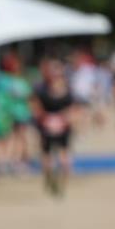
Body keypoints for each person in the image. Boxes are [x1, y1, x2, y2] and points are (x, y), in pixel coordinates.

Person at [32, 59, 76, 196]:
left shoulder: (67, 91)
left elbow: (74, 110)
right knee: (48, 157)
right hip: (47, 127)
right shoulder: (42, 90)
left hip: (61, 127)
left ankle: (62, 185)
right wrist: (45, 118)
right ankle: (51, 180)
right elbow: (35, 107)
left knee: (63, 157)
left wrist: (65, 119)